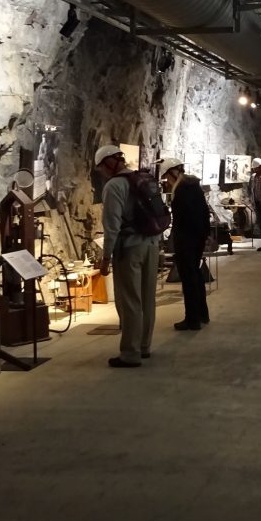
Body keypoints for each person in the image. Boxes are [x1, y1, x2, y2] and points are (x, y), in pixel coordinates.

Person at [95, 144, 161, 368]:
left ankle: (130, 353)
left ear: (108, 163)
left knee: (130, 300)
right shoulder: (141, 180)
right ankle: (144, 346)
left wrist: (106, 258)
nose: (101, 173)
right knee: (147, 297)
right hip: (152, 244)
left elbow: (112, 226)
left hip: (130, 248)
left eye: (100, 168)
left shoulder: (114, 186)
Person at [159, 157, 211, 331]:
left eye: (167, 176)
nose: (167, 181)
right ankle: (202, 314)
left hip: (187, 239)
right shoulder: (192, 186)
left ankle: (192, 319)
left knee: (189, 279)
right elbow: (203, 213)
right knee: (195, 275)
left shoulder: (182, 190)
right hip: (196, 238)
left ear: (173, 172)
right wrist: (204, 236)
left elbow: (184, 218)